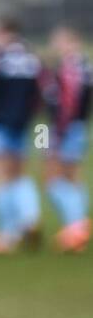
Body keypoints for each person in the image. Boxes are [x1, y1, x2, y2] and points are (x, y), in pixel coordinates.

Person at [0, 17, 43, 253]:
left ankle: (7, 234)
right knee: (19, 174)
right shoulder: (32, 58)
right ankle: (30, 218)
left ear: (3, 32)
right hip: (22, 124)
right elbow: (40, 93)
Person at [42, 25, 91, 252]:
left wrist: (59, 131)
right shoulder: (80, 67)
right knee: (71, 179)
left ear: (74, 42)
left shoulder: (71, 67)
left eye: (61, 41)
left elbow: (68, 103)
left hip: (61, 128)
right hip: (67, 128)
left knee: (54, 180)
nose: (57, 45)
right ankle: (76, 229)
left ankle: (76, 228)